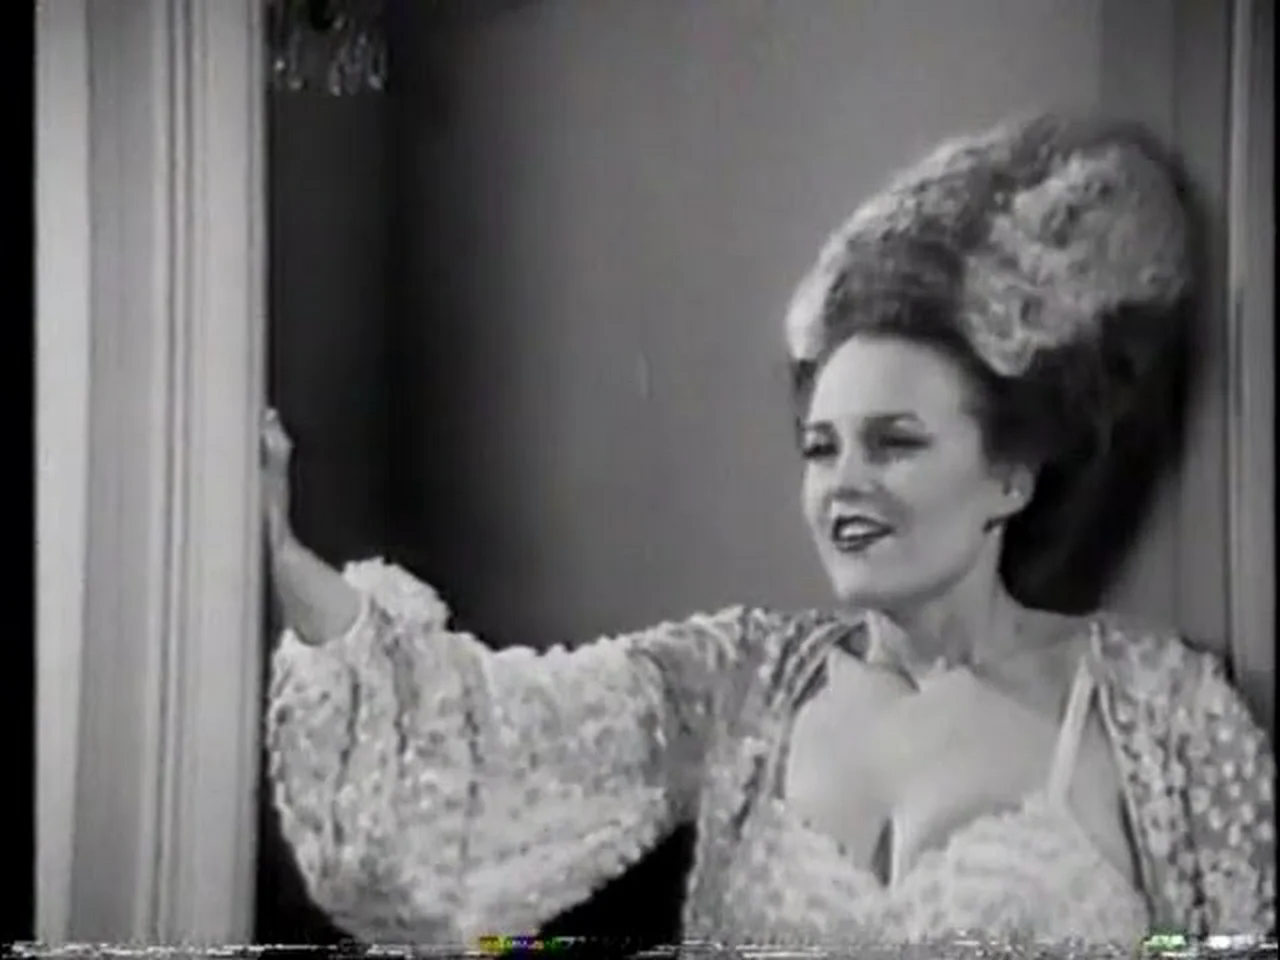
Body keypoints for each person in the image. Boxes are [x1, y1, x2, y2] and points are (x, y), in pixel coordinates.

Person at [261, 113, 1276, 950]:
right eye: (819, 449)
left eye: (894, 443)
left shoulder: (1164, 718)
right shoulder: (740, 680)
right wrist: (286, 563)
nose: (843, 486)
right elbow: (482, 748)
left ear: (1009, 475)